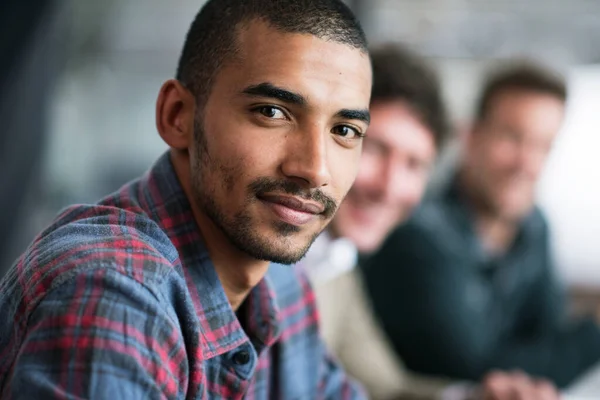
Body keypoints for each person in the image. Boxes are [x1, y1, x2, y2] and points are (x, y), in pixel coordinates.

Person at [0, 1, 373, 398]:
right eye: (272, 111)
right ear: (178, 115)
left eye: (345, 130)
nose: (316, 169)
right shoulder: (114, 297)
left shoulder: (281, 282)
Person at [301, 47, 560, 400]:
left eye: (414, 164)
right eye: (375, 149)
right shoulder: (269, 251)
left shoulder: (337, 262)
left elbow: (383, 387)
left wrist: (474, 398)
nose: (389, 188)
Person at [362, 60, 600, 389]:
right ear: (471, 137)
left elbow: (548, 337)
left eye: (543, 146)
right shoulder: (416, 232)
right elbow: (478, 370)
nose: (526, 163)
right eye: (512, 137)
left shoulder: (534, 226)